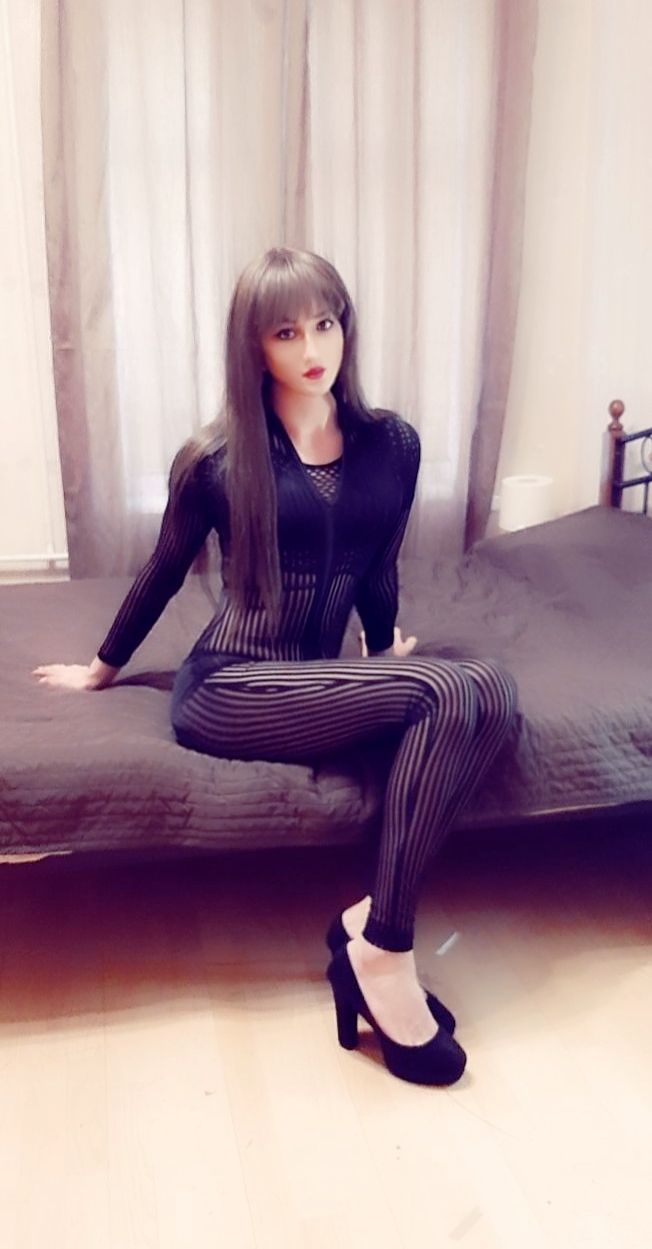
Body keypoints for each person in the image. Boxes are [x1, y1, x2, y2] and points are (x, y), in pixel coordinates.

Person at [34, 246, 517, 1086]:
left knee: (492, 691)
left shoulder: (390, 443)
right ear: (254, 345)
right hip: (229, 686)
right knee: (453, 686)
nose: (312, 347)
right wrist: (103, 667)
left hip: (314, 681)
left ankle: (371, 925)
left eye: (324, 323)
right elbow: (162, 569)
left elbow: (378, 566)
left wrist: (383, 652)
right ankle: (386, 957)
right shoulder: (218, 458)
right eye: (286, 332)